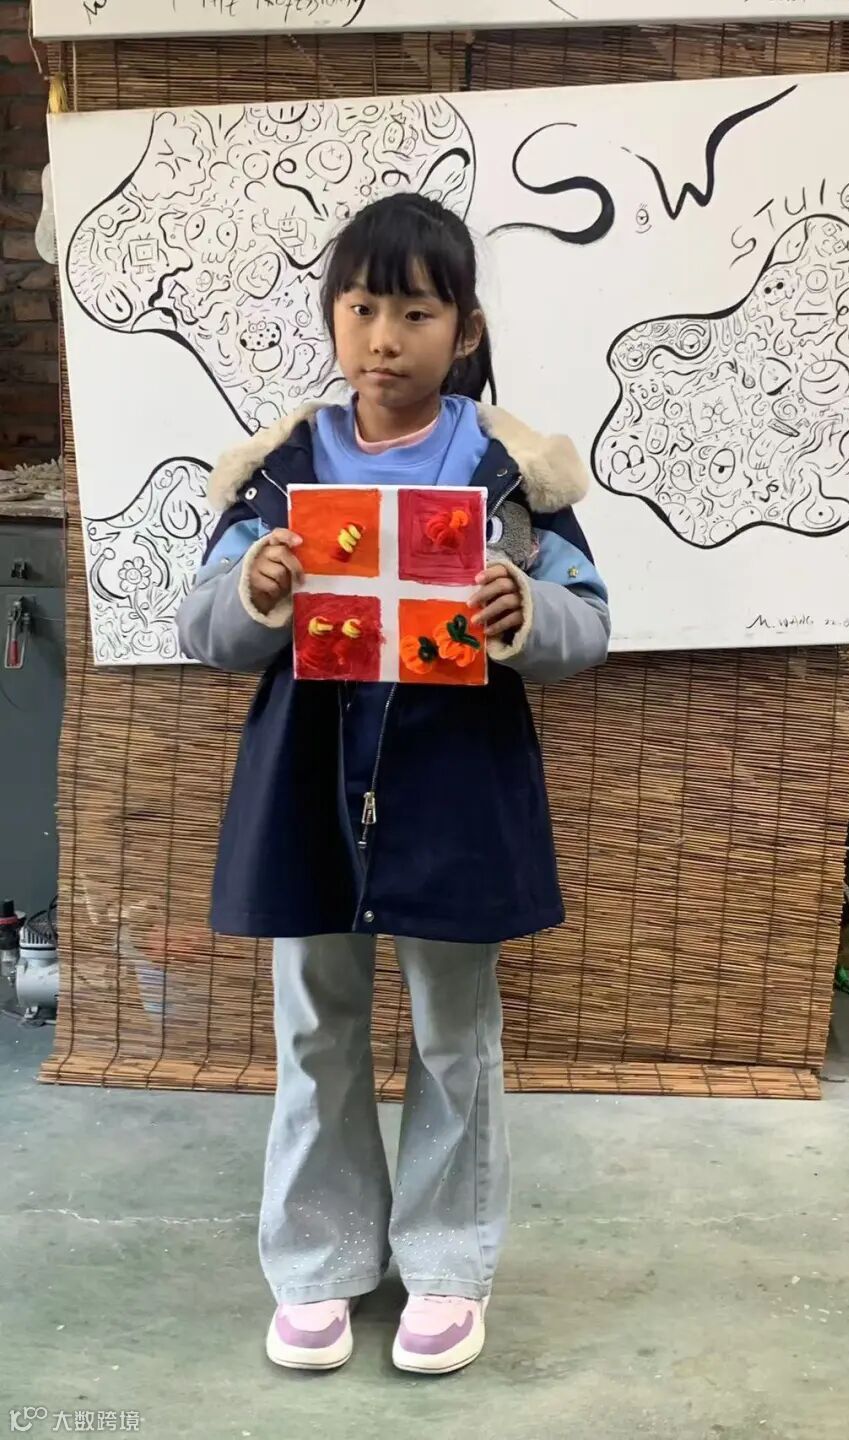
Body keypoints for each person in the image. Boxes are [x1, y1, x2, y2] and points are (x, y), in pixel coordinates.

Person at [177, 193, 610, 1376]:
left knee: (454, 1030)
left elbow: (589, 622)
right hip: (308, 782)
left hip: (455, 782)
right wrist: (255, 594)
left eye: (417, 313)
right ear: (332, 317)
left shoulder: (508, 474)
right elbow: (204, 627)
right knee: (315, 1024)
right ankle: (318, 1263)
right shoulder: (281, 473)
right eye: (363, 308)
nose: (385, 338)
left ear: (463, 330)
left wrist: (526, 614)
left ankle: (449, 1264)